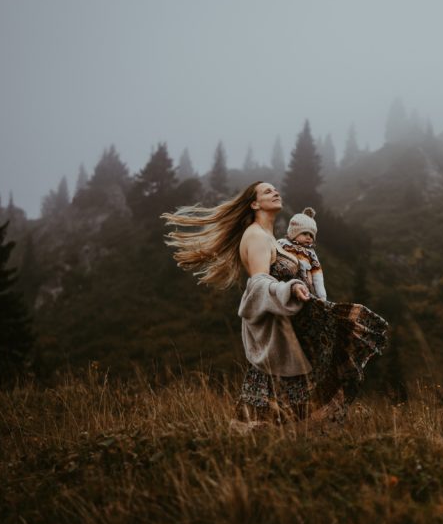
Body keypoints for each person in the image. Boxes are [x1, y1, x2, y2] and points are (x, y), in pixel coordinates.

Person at [161, 181, 387, 423]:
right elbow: (257, 285)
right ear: (254, 203)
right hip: (277, 333)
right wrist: (292, 287)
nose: (276, 192)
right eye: (267, 191)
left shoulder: (272, 239)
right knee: (273, 407)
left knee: (291, 404)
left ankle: (282, 450)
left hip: (291, 329)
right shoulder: (256, 236)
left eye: (275, 189)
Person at [277, 207, 327, 301]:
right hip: (281, 284)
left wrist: (322, 296)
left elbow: (318, 275)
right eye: (304, 233)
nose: (308, 238)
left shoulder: (311, 254)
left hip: (304, 287)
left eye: (311, 235)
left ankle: (318, 305)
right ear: (293, 233)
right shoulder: (281, 243)